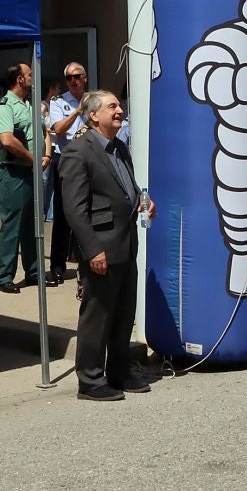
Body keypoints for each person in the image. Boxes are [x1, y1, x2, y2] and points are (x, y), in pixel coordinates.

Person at [57, 90, 155, 401]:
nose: (119, 109)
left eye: (119, 105)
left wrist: (143, 200)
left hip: (125, 244)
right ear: (93, 115)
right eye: (112, 106)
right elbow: (74, 208)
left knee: (123, 314)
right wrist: (92, 249)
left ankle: (119, 371)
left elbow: (128, 187)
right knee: (97, 317)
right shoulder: (78, 152)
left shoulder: (119, 148)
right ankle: (89, 379)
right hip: (100, 246)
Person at [0, 61, 41, 293]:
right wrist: (33, 158)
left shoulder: (30, 104)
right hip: (14, 172)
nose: (33, 77)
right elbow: (7, 140)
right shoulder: (5, 106)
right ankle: (4, 278)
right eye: (29, 74)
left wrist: (46, 156)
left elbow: (44, 131)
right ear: (20, 79)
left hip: (31, 171)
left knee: (31, 225)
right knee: (12, 225)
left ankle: (33, 273)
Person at [43, 63, 92, 284]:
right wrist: (78, 112)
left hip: (89, 159)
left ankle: (87, 261)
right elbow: (59, 129)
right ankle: (57, 266)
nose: (73, 81)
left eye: (77, 77)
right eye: (69, 78)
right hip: (65, 158)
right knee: (63, 215)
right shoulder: (58, 102)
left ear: (85, 78)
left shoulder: (95, 99)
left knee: (89, 210)